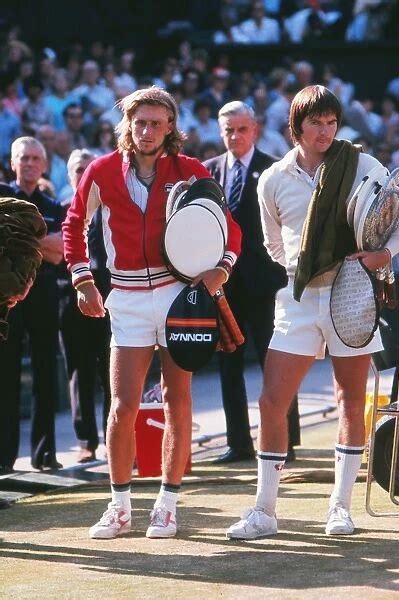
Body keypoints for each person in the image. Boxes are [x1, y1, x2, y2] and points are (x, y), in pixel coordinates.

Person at [226, 85, 399, 540]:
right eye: (316, 122)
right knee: (272, 400)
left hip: (353, 295)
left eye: (331, 122)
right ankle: (264, 511)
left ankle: (340, 508)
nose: (325, 130)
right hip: (299, 299)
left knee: (349, 399)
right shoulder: (271, 178)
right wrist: (305, 265)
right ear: (296, 127)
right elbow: (274, 245)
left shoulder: (361, 164)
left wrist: (380, 255)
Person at [62, 86, 241, 539]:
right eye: (138, 121)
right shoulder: (100, 170)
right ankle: (119, 507)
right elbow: (73, 223)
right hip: (126, 298)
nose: (145, 131)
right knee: (122, 405)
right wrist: (83, 280)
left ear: (170, 128)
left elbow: (230, 228)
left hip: (180, 296)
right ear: (128, 124)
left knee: (176, 399)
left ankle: (167, 505)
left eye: (155, 123)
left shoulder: (191, 170)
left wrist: (222, 268)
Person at [204, 101, 300, 464]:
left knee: (274, 364)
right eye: (228, 130)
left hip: (267, 284)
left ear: (254, 130)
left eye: (242, 129)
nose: (235, 136)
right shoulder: (209, 172)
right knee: (229, 364)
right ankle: (238, 442)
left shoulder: (273, 169)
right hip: (224, 286)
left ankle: (284, 440)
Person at [0, 136, 64, 474]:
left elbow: (61, 251)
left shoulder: (54, 207)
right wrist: (42, 242)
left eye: (35, 158)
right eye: (22, 158)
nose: (28, 163)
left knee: (45, 376)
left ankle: (45, 455)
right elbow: (49, 248)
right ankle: (4, 458)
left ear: (44, 164)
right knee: (5, 379)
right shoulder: (1, 196)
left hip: (43, 297)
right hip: (6, 301)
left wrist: (19, 239)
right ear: (12, 162)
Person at [59, 149, 111, 463]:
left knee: (112, 370)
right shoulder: (65, 210)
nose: (83, 174)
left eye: (88, 168)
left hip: (110, 297)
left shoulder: (112, 211)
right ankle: (86, 442)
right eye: (78, 169)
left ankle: (113, 438)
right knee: (79, 372)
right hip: (70, 298)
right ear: (69, 175)